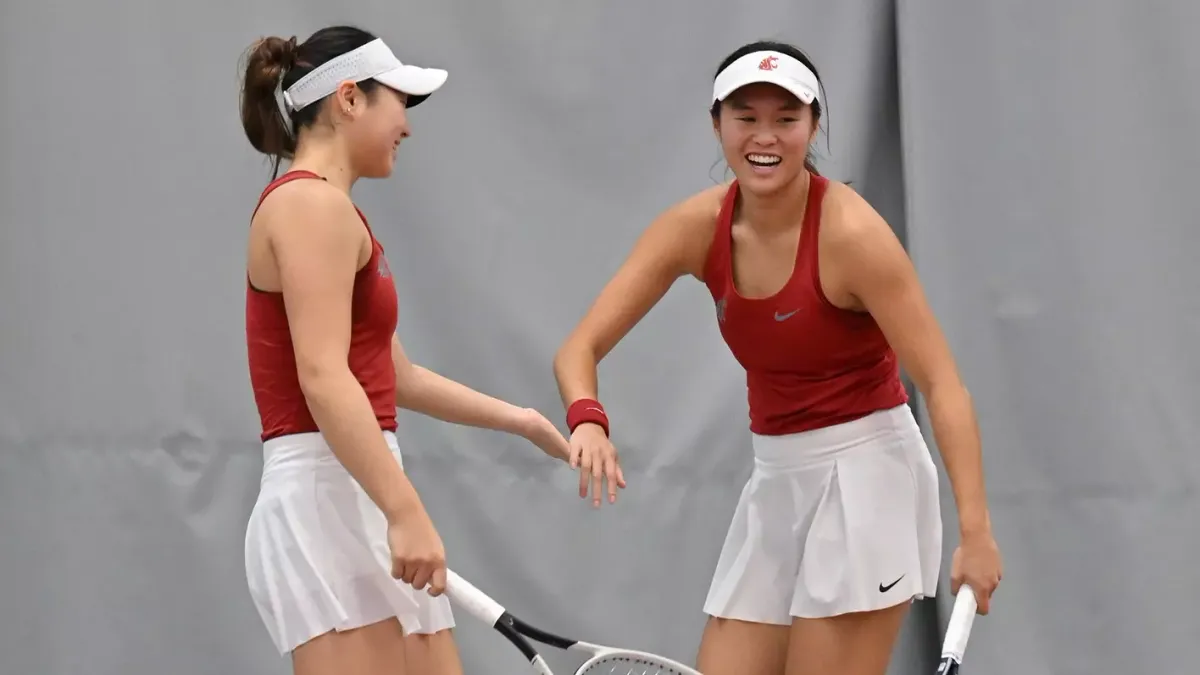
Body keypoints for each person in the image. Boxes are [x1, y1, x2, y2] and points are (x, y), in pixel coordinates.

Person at [552, 40, 1003, 675]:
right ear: (717, 124)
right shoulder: (694, 227)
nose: (765, 136)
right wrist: (588, 416)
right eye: (746, 117)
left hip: (868, 479)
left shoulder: (853, 235)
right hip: (776, 480)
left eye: (786, 119)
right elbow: (580, 348)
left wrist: (976, 533)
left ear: (814, 126)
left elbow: (944, 386)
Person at [237, 26, 571, 675]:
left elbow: (396, 376)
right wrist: (405, 509)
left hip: (358, 484)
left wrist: (520, 419)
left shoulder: (335, 211)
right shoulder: (310, 206)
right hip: (323, 497)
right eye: (401, 102)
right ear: (349, 100)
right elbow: (324, 377)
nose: (408, 127)